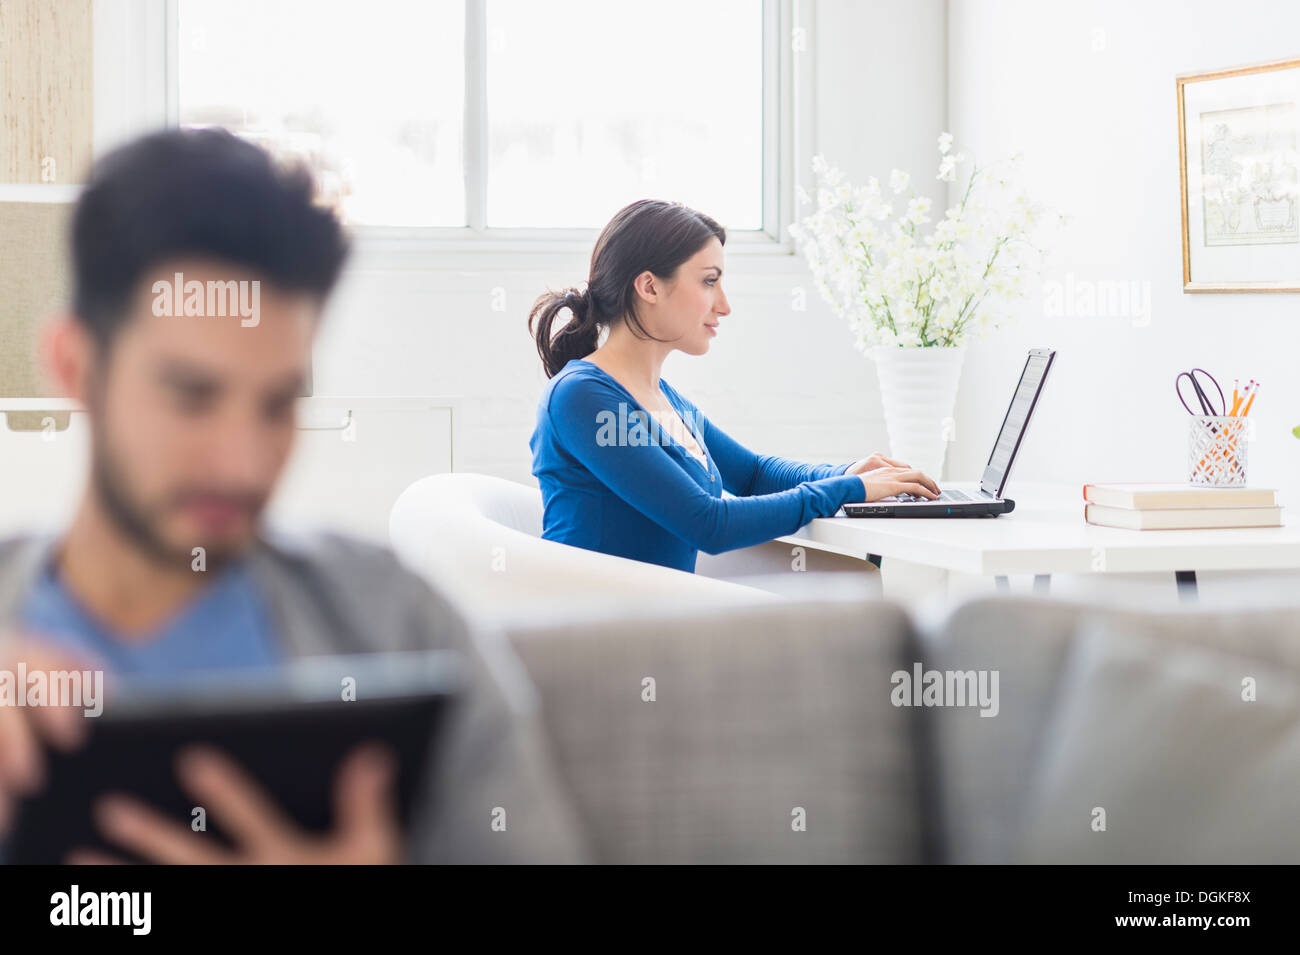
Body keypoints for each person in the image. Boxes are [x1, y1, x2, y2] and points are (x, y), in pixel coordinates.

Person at [0, 128, 584, 863]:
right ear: (74, 366)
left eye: (276, 404)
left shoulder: (406, 630)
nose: (242, 464)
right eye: (191, 395)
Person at [528, 199, 940, 574]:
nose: (724, 305)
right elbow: (710, 525)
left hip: (655, 618)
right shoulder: (584, 397)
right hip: (597, 632)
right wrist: (851, 488)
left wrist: (849, 472)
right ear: (649, 286)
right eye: (709, 281)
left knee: (849, 588)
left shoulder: (659, 396)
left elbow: (753, 474)